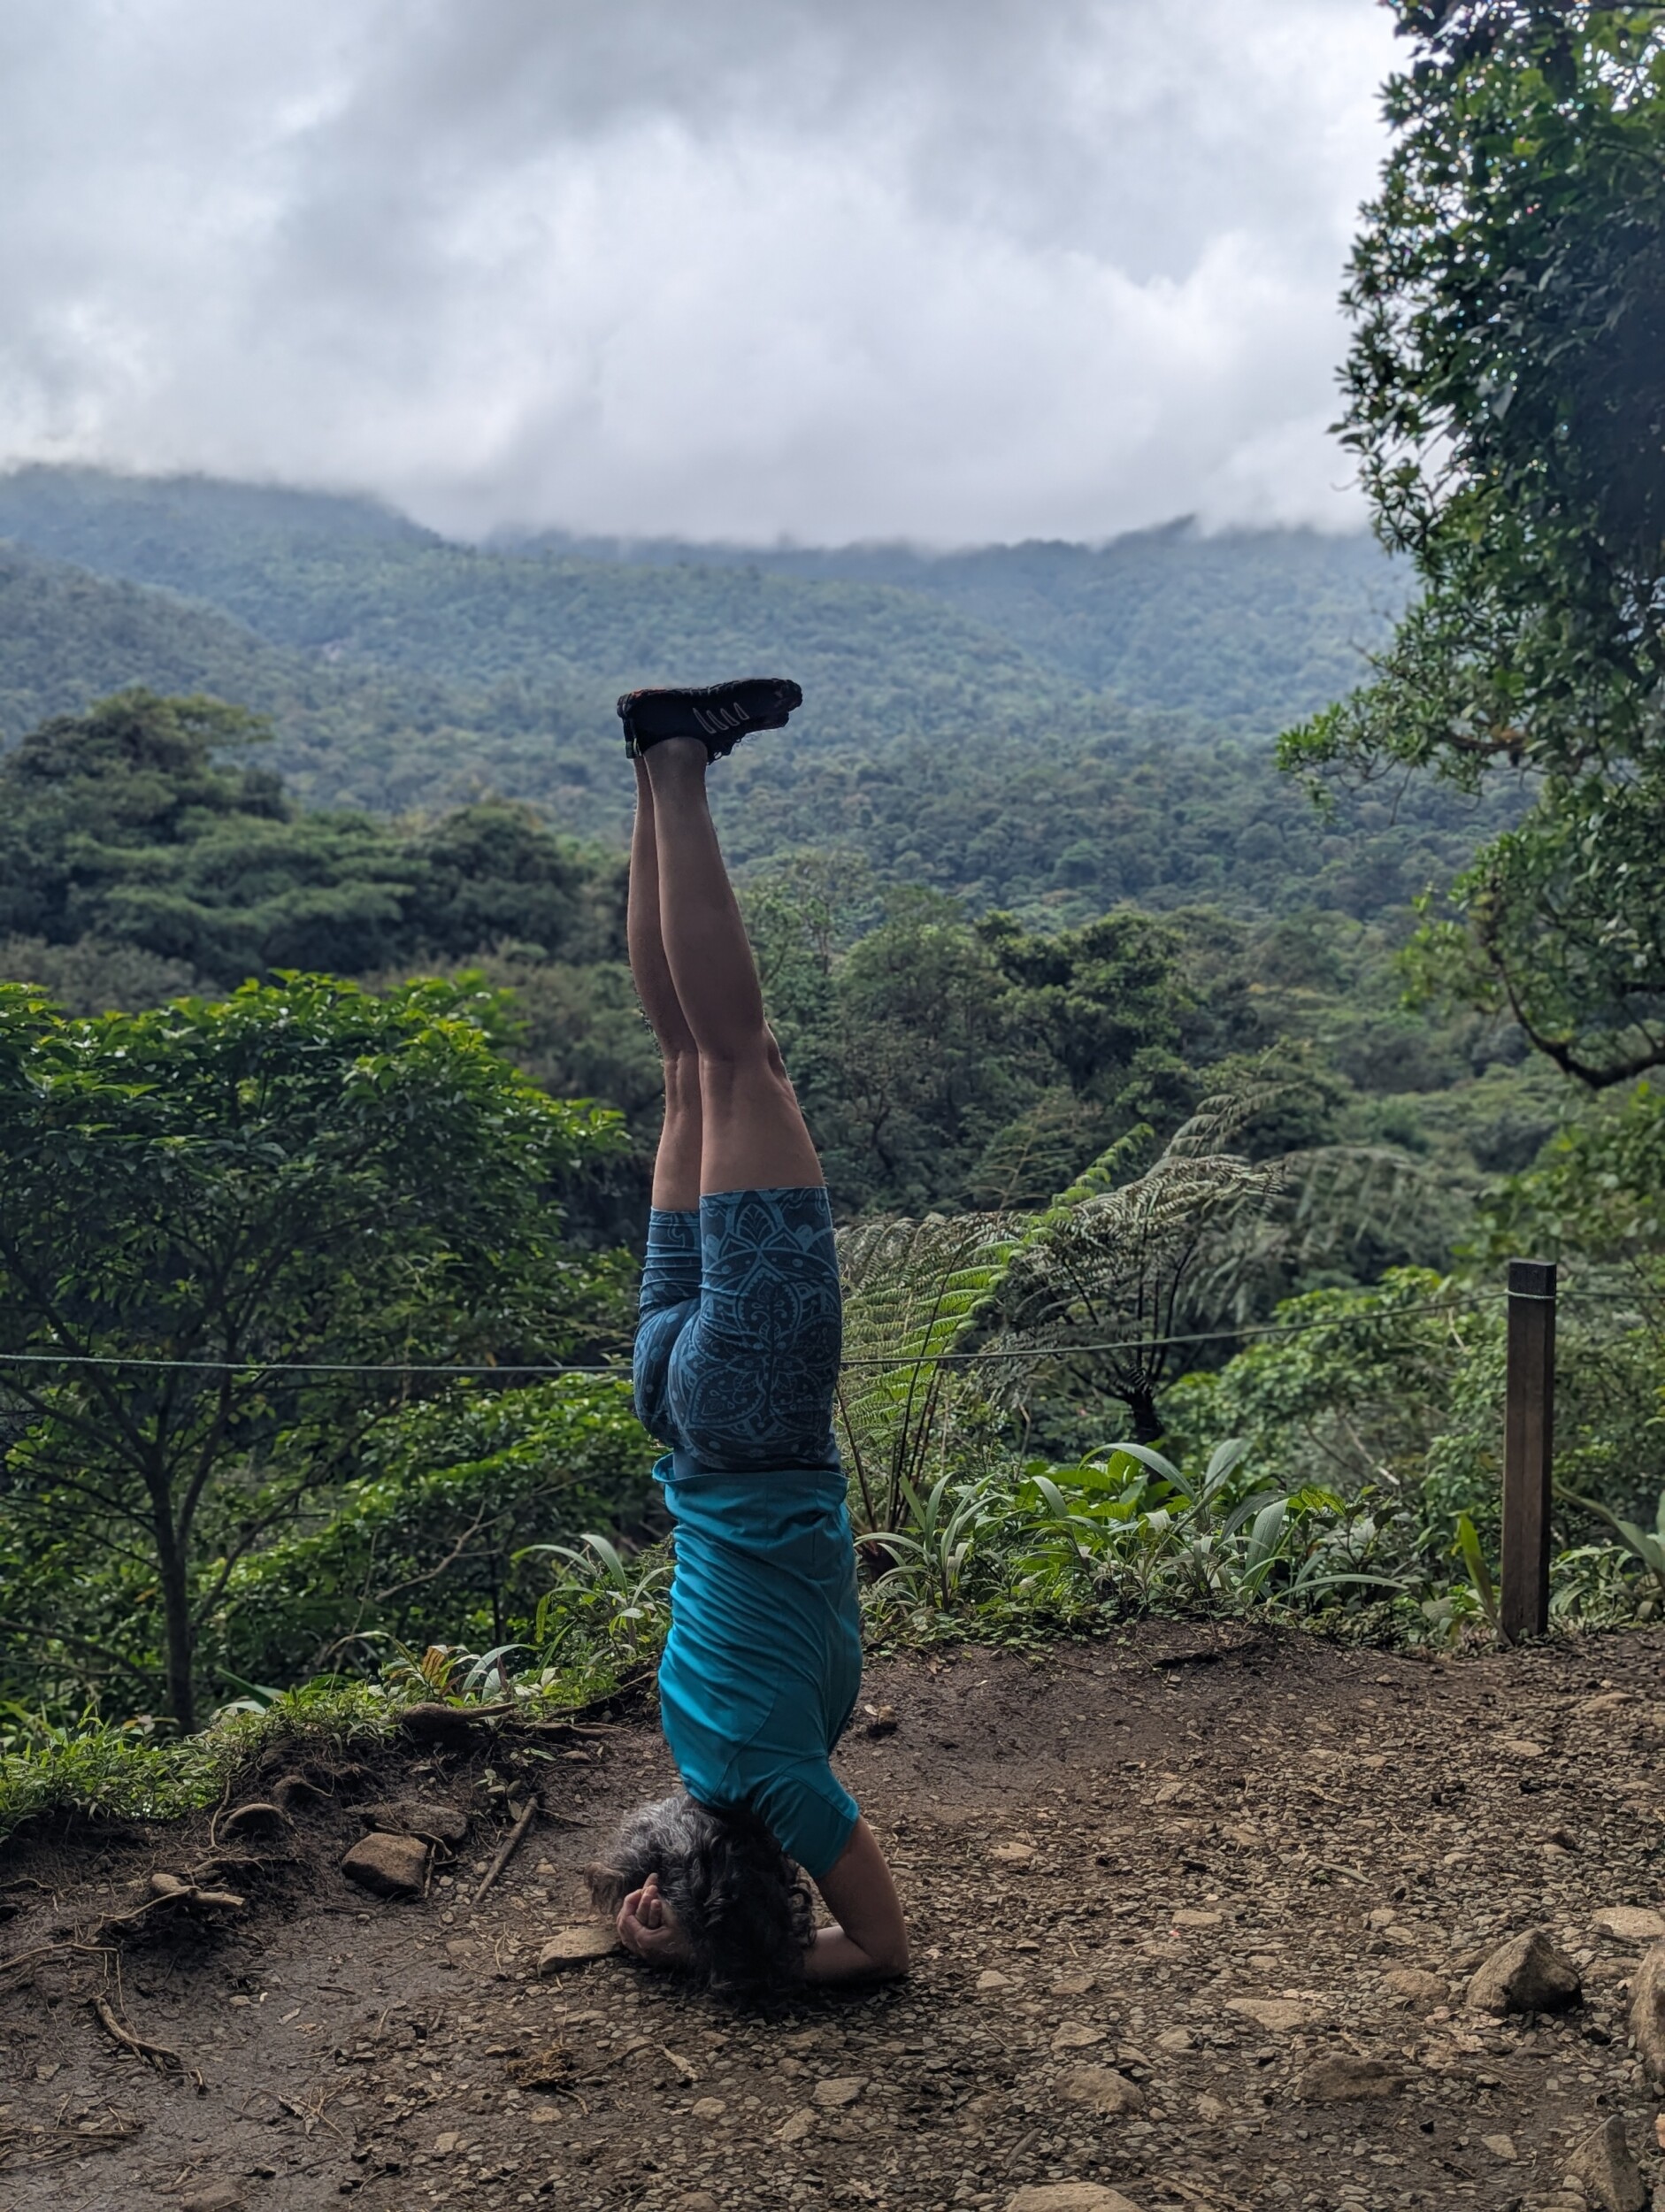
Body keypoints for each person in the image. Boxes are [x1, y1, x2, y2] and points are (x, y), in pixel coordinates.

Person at [585, 678, 909, 1995]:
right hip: (673, 1405)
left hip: (755, 1415)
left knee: (738, 1061)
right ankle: (657, 776)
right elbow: (685, 1881)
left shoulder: (781, 1783)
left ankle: (676, 760)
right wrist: (687, 1939)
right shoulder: (704, 1749)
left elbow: (884, 1953)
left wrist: (752, 1966)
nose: (636, 1883)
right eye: (651, 1893)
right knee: (684, 1064)